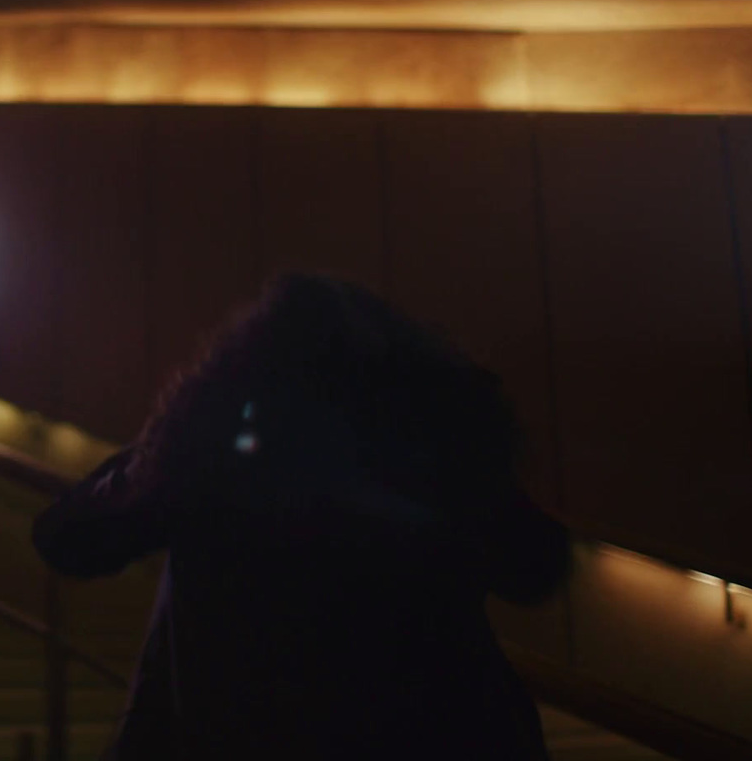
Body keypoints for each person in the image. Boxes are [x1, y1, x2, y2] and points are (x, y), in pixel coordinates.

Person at [32, 274, 572, 760]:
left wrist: (170, 436)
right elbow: (537, 567)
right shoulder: (434, 458)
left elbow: (69, 536)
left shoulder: (216, 454)